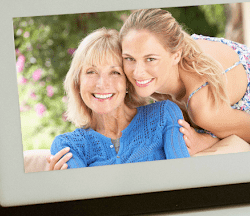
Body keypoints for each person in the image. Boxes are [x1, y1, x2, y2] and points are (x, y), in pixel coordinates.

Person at [119, 8, 250, 154]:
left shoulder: (203, 107)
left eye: (150, 59)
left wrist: (206, 141)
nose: (137, 72)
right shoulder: (158, 75)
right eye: (129, 58)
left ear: (176, 55)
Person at [48, 27, 190, 170]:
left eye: (115, 72)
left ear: (127, 82)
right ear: (77, 82)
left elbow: (184, 178)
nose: (102, 84)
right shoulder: (67, 146)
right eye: (91, 72)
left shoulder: (163, 115)